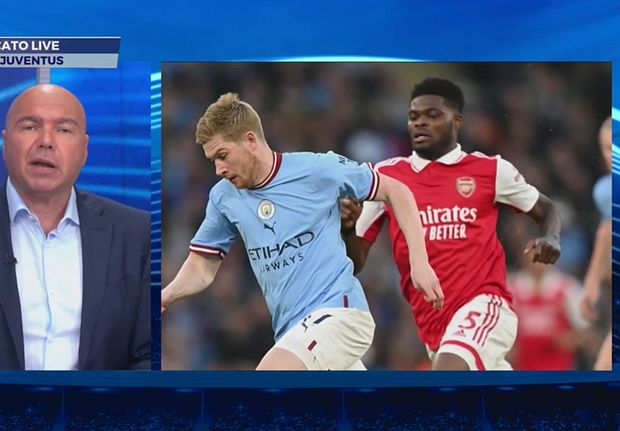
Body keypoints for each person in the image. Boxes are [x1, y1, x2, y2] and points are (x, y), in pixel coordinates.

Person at [161, 93, 442, 370]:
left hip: (340, 315)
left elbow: (396, 189)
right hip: (292, 332)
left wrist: (419, 262)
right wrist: (166, 295)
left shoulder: (316, 169)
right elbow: (202, 265)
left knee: (268, 379)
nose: (218, 169)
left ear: (250, 141)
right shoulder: (224, 197)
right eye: (212, 160)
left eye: (223, 156)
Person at [341, 77, 561, 370]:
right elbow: (354, 262)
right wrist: (347, 228)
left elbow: (546, 209)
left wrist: (551, 236)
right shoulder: (386, 178)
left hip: (485, 306)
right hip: (435, 329)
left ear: (456, 122)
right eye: (414, 116)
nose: (420, 122)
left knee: (447, 373)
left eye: (432, 115)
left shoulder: (490, 170)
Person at [0, 84, 151, 370]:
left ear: (84, 150)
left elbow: (146, 356)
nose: (46, 141)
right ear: (5, 143)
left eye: (64, 130)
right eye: (30, 127)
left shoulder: (137, 234)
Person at [508, 244, 589, 370]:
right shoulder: (510, 288)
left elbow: (587, 333)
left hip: (558, 370)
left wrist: (569, 340)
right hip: (520, 370)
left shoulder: (568, 288)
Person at [579, 116, 612, 370]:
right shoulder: (605, 190)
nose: (613, 156)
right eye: (607, 148)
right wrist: (592, 282)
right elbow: (606, 231)